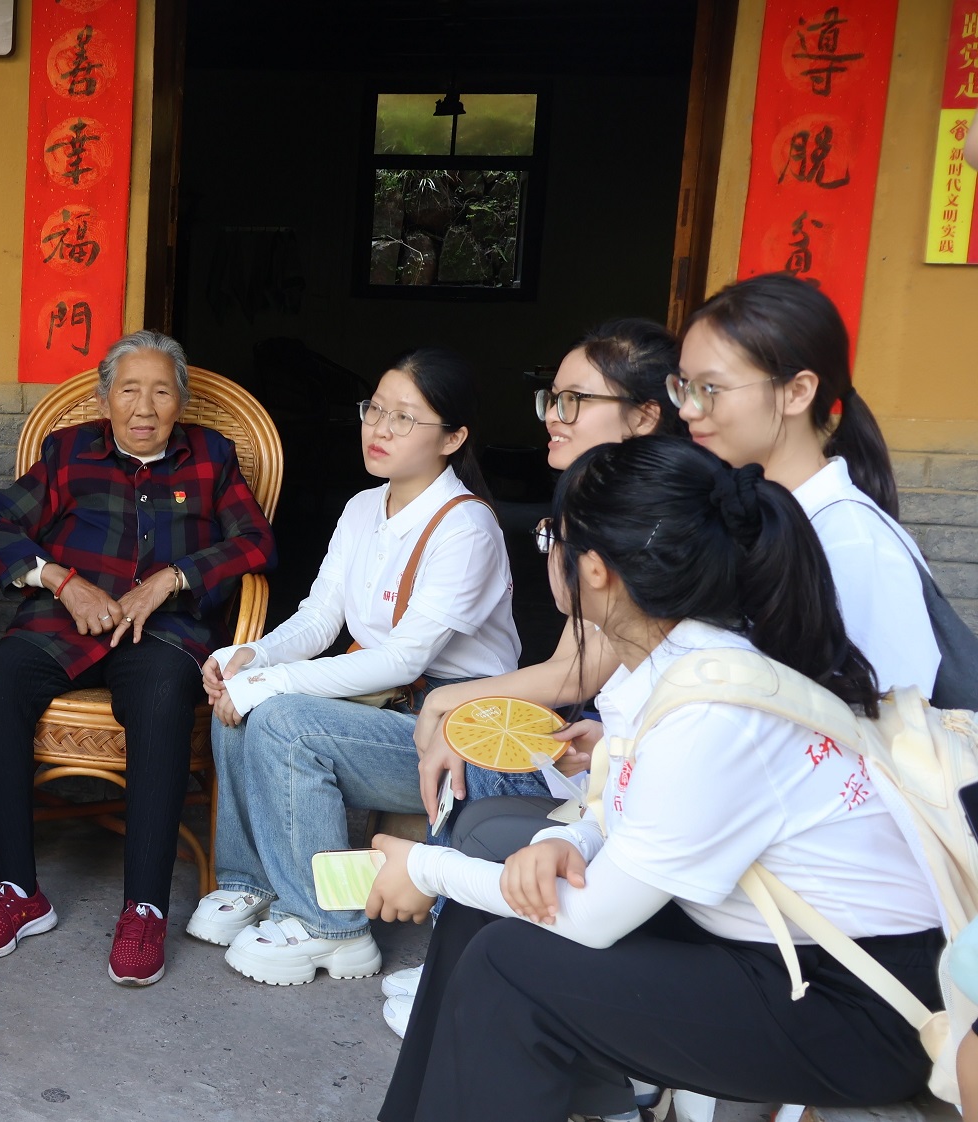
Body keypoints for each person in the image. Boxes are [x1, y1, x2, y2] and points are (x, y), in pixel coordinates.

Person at [370, 435, 942, 1122]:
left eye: (551, 537)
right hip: (770, 944)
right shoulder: (674, 663)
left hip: (857, 1003)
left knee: (508, 966)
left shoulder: (711, 708)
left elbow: (591, 921)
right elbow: (629, 804)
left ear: (595, 570)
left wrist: (425, 869)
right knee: (490, 910)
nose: (547, 551)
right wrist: (571, 841)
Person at [192, 347, 525, 986]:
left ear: (453, 438)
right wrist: (252, 657)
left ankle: (331, 927)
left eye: (404, 417)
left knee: (282, 719)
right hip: (387, 704)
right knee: (240, 696)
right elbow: (321, 617)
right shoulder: (362, 508)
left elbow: (405, 658)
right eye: (375, 409)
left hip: (452, 731)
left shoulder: (466, 528)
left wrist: (272, 682)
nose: (379, 428)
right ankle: (252, 884)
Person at [393, 319, 685, 1036]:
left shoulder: (657, 520)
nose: (555, 416)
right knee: (484, 738)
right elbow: (576, 668)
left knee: (482, 752)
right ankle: (464, 953)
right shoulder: (599, 497)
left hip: (656, 810)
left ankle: (473, 955)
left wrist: (449, 700)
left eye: (575, 401)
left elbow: (577, 673)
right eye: (552, 398)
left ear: (645, 416)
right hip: (618, 758)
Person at [0, 329, 276, 986]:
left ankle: (145, 908)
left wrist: (172, 579)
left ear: (180, 400)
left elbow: (256, 542)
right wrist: (61, 580)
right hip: (65, 621)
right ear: (105, 399)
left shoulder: (211, 457)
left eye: (161, 392)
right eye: (129, 390)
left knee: (161, 693)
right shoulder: (69, 451)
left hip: (166, 631)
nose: (144, 407)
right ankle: (17, 892)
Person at [672, 271, 938, 697]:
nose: (687, 409)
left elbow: (895, 716)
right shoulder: (750, 514)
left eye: (710, 387)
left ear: (797, 392)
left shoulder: (854, 544)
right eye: (684, 385)